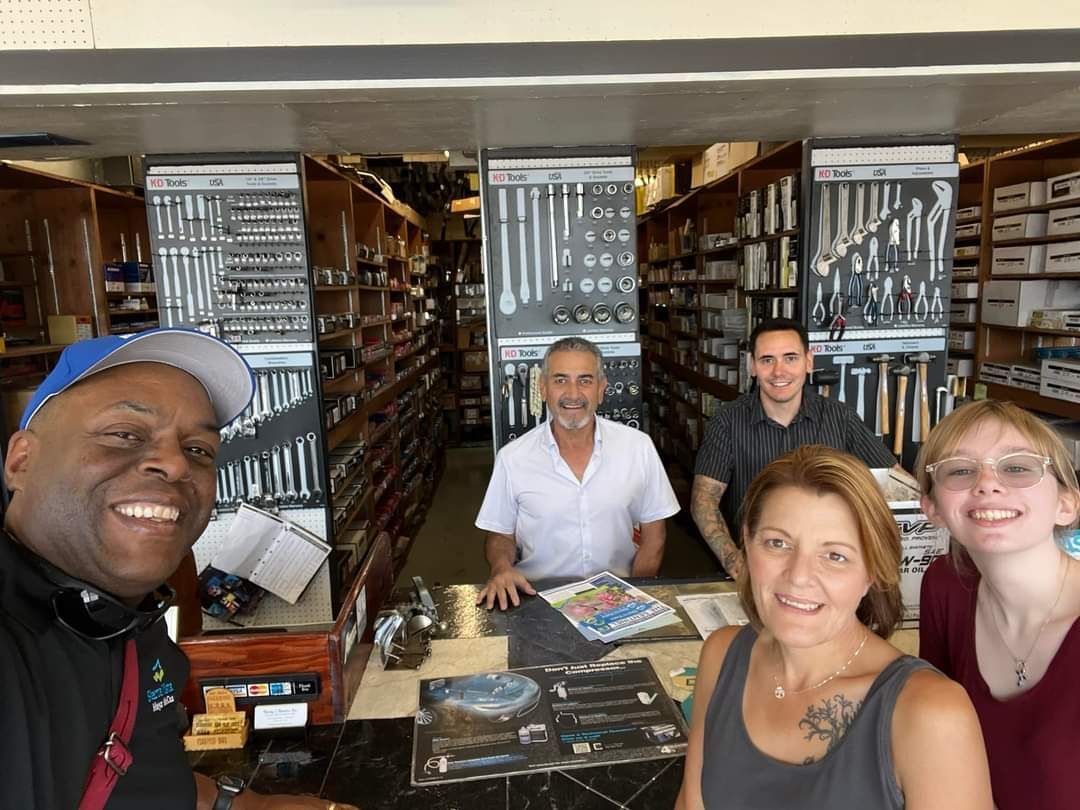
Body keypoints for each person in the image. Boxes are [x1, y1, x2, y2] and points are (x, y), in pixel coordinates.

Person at [0, 328, 357, 810]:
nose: (173, 465)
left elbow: (142, 770)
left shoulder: (127, 622)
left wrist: (245, 805)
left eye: (198, 450)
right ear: (21, 460)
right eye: (124, 434)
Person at [676, 445, 992, 810]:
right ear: (747, 542)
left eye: (835, 555)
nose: (798, 577)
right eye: (778, 543)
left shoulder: (930, 713)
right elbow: (691, 803)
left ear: (872, 572)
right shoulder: (722, 655)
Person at [917, 400, 1080, 810]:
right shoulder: (946, 585)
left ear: (1066, 504)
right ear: (932, 508)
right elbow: (931, 741)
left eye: (1018, 467)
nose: (987, 483)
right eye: (960, 470)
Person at [475, 337, 679, 610]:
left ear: (601, 389)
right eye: (560, 380)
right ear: (543, 388)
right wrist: (500, 568)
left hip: (620, 601)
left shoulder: (638, 447)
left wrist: (632, 599)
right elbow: (500, 534)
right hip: (537, 600)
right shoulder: (513, 458)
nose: (573, 393)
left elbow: (655, 536)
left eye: (585, 380)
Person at [692, 318, 898, 577]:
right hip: (756, 566)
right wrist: (736, 563)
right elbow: (703, 502)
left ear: (808, 361)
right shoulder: (728, 422)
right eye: (767, 360)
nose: (779, 371)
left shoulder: (840, 418)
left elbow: (896, 483)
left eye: (790, 358)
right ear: (752, 366)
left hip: (828, 567)